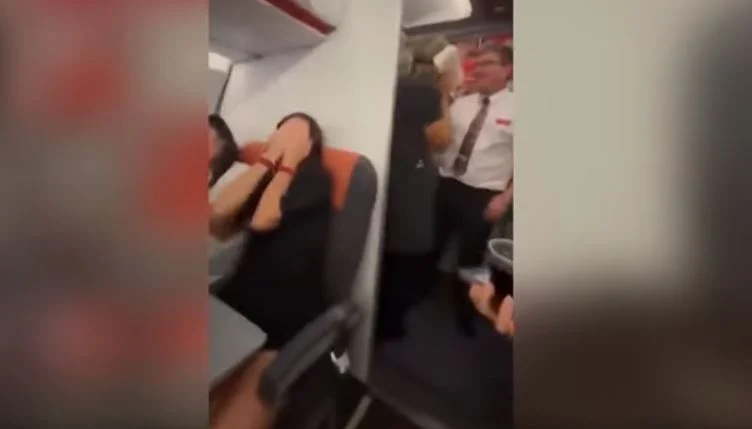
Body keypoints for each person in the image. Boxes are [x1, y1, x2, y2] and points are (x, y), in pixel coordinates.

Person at [209, 113, 332, 429]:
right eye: (279, 133)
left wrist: (287, 162)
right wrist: (269, 160)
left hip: (285, 315)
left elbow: (265, 219)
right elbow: (218, 217)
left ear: (310, 144)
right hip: (241, 300)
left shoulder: (316, 177)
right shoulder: (266, 174)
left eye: (292, 134)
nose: (281, 139)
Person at [376, 38, 459, 342]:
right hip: (410, 181)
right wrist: (445, 96)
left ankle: (378, 317)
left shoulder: (392, 84)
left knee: (383, 250)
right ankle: (389, 324)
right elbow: (440, 140)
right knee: (404, 254)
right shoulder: (427, 93)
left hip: (390, 173)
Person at [433, 44, 514, 336]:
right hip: (445, 184)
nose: (478, 69)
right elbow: (442, 141)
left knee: (470, 258)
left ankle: (466, 314)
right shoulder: (462, 103)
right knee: (432, 244)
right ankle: (423, 299)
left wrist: (505, 199)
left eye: (487, 63)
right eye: (476, 63)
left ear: (507, 69)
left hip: (483, 195)